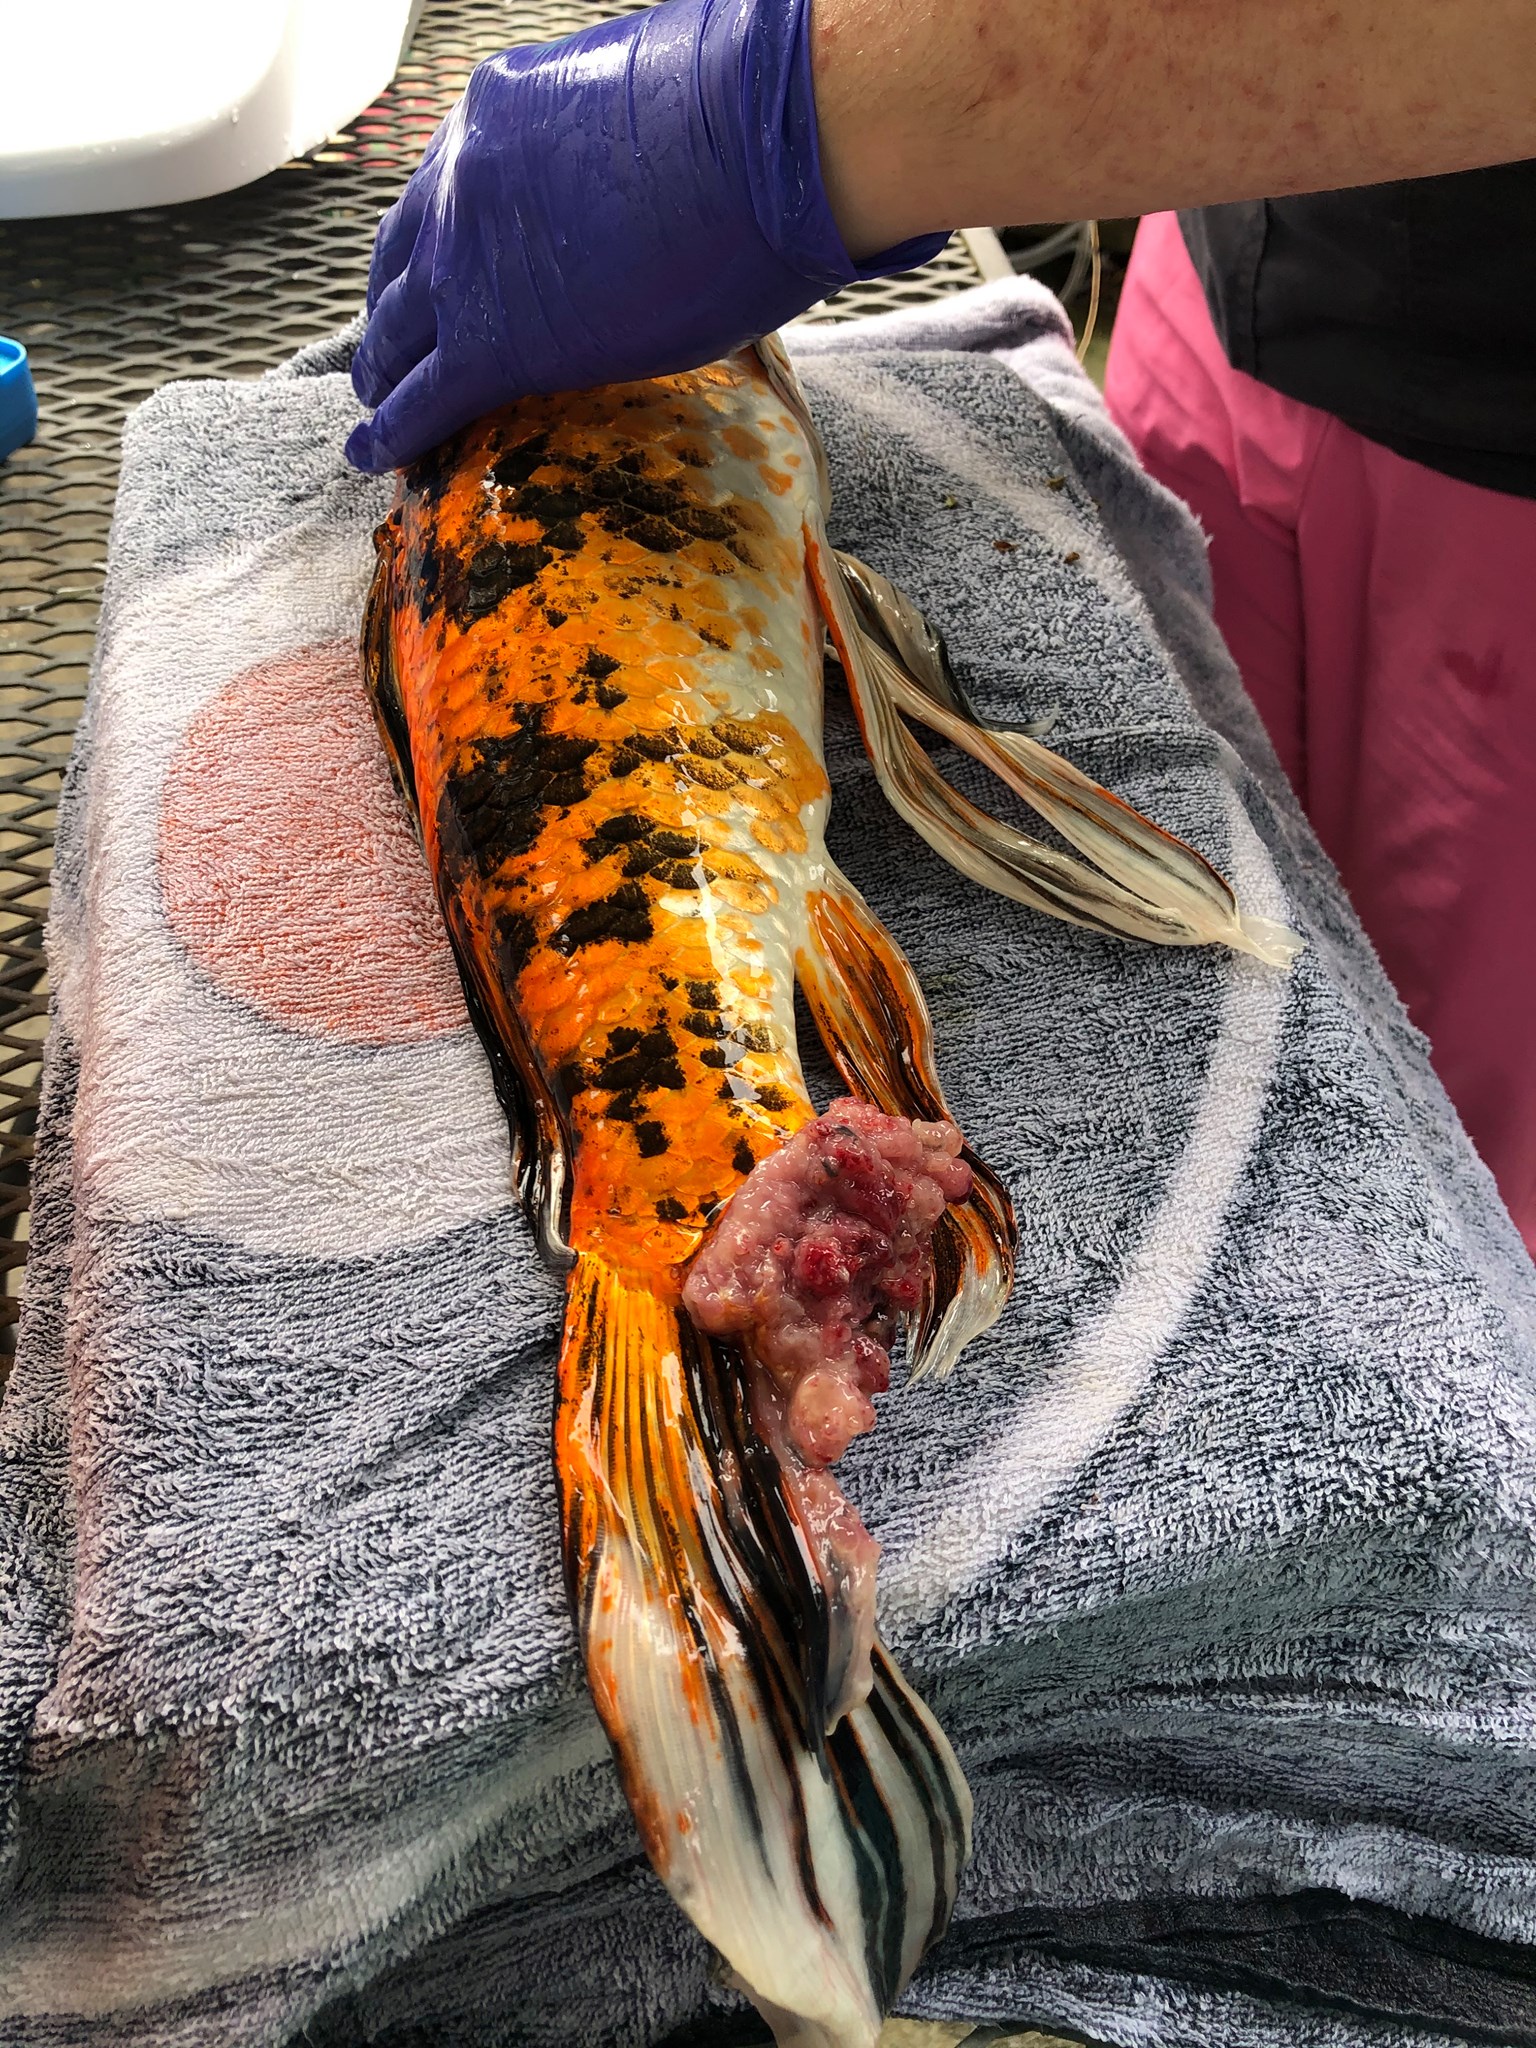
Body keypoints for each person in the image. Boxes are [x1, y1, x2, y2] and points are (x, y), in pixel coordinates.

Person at [346, 0, 1536, 1250]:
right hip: (1216, 198)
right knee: (1202, 785)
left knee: (1437, 1096)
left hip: (1494, 447)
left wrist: (808, 106)